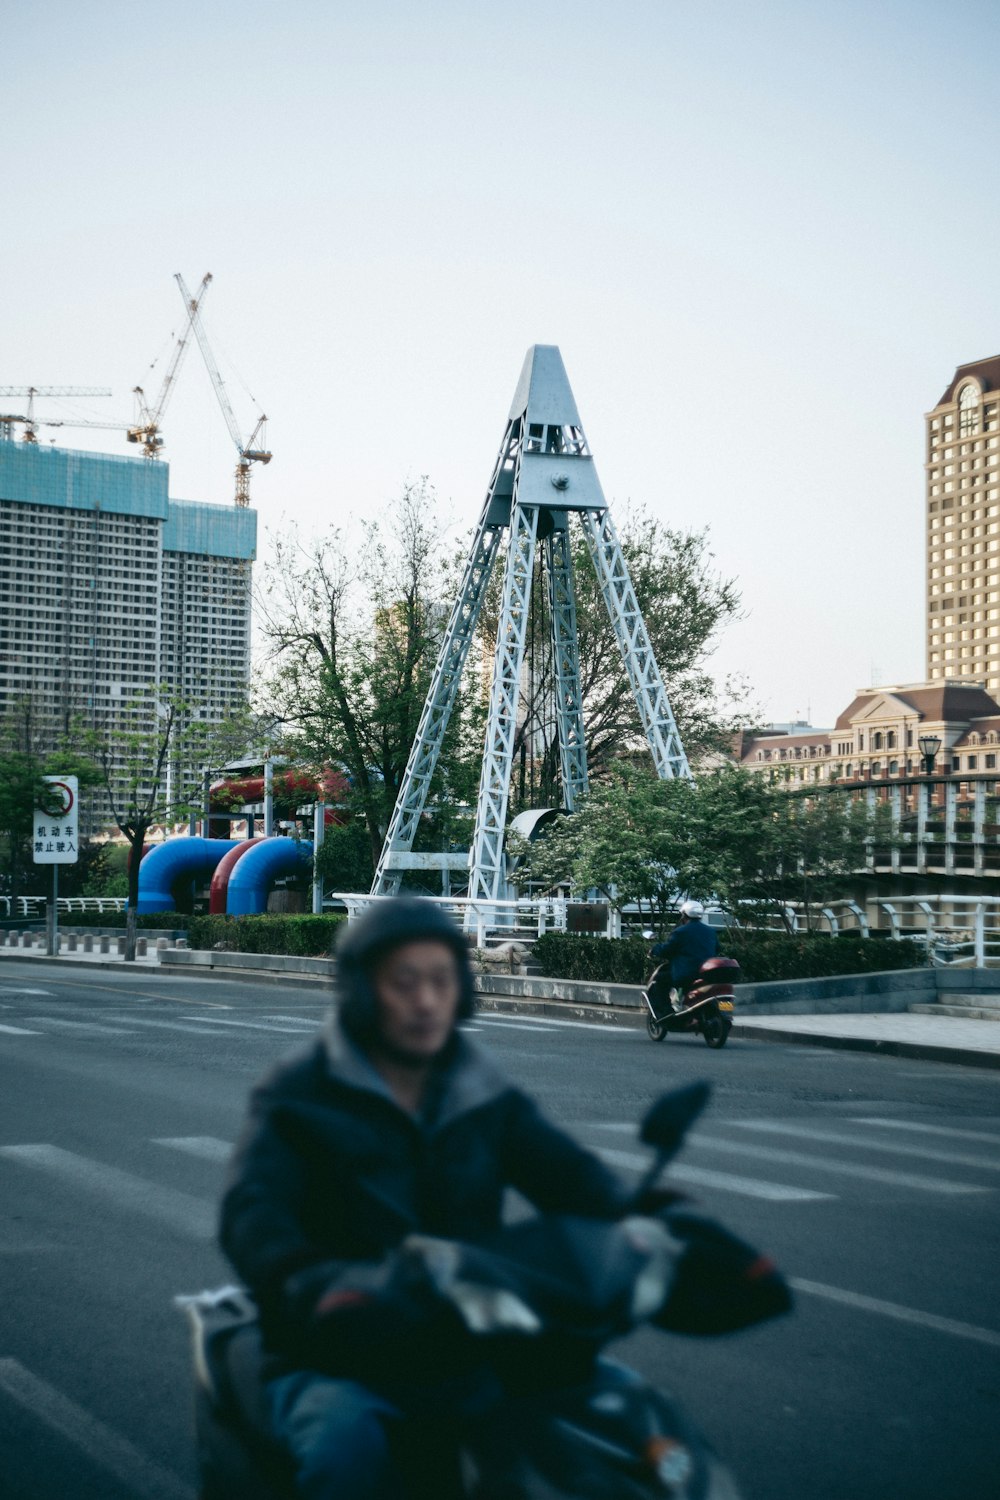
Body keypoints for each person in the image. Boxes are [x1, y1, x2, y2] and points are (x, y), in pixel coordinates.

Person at [218, 897, 634, 1500]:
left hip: (466, 1330)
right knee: (346, 1448)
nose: (425, 1001)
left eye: (441, 981)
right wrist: (310, 1280)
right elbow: (251, 1212)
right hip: (337, 1346)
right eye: (403, 982)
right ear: (364, 991)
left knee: (605, 1417)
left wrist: (652, 1218)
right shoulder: (304, 1093)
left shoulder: (478, 1089)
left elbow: (569, 1174)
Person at [650, 899, 718, 1012]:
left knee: (659, 982)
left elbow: (667, 949)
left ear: (684, 915)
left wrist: (654, 950)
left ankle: (666, 1013)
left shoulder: (680, 932)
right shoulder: (710, 931)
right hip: (706, 974)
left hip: (686, 974)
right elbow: (717, 949)